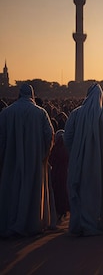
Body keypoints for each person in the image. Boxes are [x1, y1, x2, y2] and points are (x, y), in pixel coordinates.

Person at [64, 83, 103, 236]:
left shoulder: (76, 114)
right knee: (102, 191)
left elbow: (67, 136)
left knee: (82, 190)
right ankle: (101, 222)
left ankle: (81, 223)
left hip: (80, 160)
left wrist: (75, 152)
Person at [0, 84, 54, 237]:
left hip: (11, 158)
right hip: (34, 159)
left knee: (12, 190)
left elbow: (1, 138)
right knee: (32, 191)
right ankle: (31, 224)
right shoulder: (40, 113)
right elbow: (49, 135)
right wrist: (44, 154)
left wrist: (3, 155)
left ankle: (10, 222)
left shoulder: (6, 113)